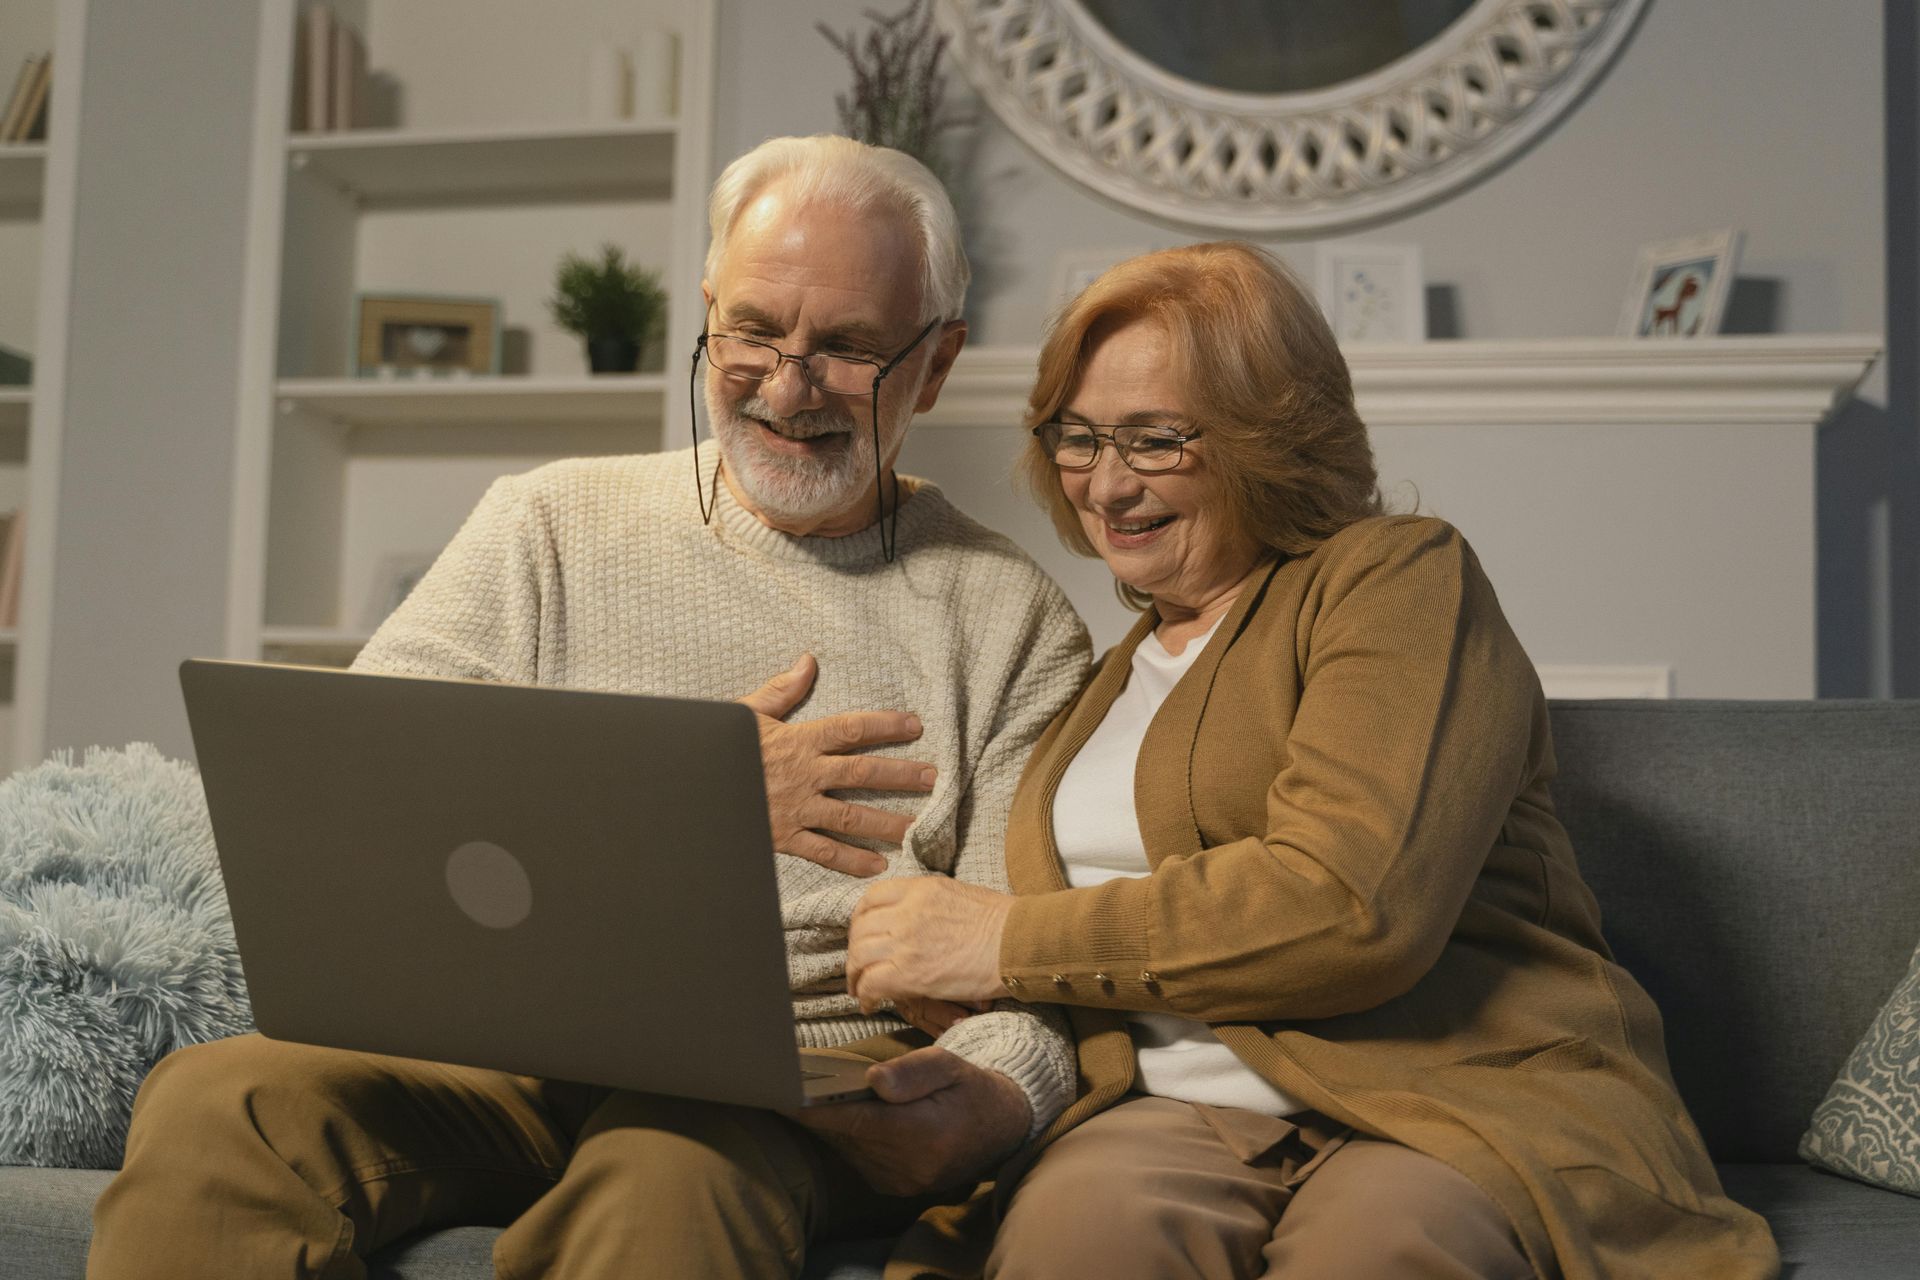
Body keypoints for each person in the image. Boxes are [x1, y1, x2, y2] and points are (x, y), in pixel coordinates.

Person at [86, 135, 1088, 1280]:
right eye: (752, 330)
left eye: (847, 347)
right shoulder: (547, 525)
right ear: (706, 309)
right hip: (492, 1045)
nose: (786, 384)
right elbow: (360, 794)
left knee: (669, 1171)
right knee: (224, 1096)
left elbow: (1044, 967)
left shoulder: (1012, 621)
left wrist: (1002, 1096)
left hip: (792, 1082)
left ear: (938, 362)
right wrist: (688, 801)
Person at [845, 242, 1782, 1279]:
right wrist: (951, 989)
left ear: (1267, 436)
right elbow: (1081, 950)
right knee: (1078, 1240)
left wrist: (1005, 941)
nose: (1105, 484)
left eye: (1154, 439)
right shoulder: (1098, 675)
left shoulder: (1397, 578)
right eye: (1078, 436)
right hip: (1166, 1111)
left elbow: (1349, 903)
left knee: (1374, 1252)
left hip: (1443, 1098)